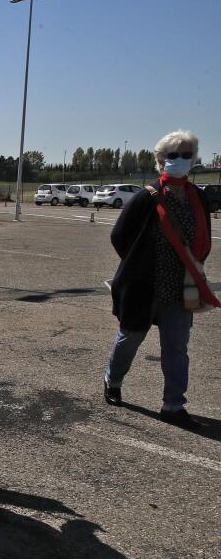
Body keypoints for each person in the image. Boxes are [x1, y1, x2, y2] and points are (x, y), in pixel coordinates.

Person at [104, 130, 215, 429]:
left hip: (182, 286)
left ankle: (173, 405)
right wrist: (138, 263)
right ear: (161, 160)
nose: (179, 160)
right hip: (145, 285)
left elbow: (203, 236)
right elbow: (119, 236)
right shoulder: (147, 197)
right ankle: (112, 380)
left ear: (194, 160)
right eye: (173, 155)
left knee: (177, 347)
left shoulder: (198, 198)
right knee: (131, 337)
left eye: (186, 155)